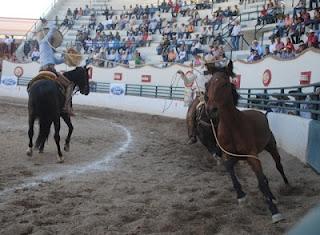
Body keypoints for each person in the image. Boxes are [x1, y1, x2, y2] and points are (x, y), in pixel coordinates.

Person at [36, 18, 74, 116]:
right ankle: (66, 107)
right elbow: (52, 29)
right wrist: (49, 22)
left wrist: (66, 56)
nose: (52, 38)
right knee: (69, 85)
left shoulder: (46, 47)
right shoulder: (44, 42)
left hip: (42, 69)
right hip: (50, 69)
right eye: (51, 37)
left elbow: (58, 61)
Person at [178, 57, 212, 144]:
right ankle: (192, 136)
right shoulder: (198, 71)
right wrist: (183, 75)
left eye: (205, 61)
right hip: (199, 96)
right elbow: (188, 82)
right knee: (190, 114)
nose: (203, 63)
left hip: (210, 96)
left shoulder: (212, 72)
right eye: (203, 61)